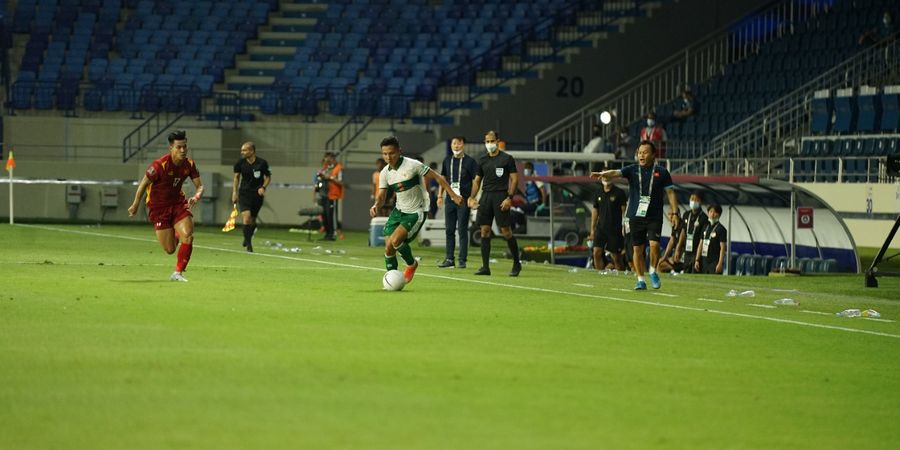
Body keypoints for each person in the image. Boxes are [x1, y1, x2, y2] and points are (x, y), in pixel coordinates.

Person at [370, 136, 463, 283]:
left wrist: (453, 196)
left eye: (392, 153)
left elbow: (439, 178)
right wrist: (376, 205)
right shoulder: (385, 173)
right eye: (385, 154)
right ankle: (393, 280)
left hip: (416, 211)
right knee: (388, 248)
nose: (388, 157)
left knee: (395, 241)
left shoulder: (413, 165)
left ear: (399, 151)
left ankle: (412, 265)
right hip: (399, 210)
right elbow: (381, 195)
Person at [592, 141, 678, 290]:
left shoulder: (662, 172)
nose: (641, 155)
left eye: (645, 152)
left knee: (654, 245)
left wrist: (675, 212)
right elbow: (616, 172)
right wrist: (603, 174)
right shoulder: (632, 170)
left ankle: (652, 270)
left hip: (654, 216)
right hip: (635, 216)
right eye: (639, 152)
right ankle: (640, 279)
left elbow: (670, 193)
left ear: (653, 155)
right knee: (637, 249)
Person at [127, 130, 204, 282]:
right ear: (171, 148)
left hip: (178, 204)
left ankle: (178, 273)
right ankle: (176, 233)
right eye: (178, 147)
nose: (182, 150)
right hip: (159, 208)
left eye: (184, 147)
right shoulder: (159, 165)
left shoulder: (189, 164)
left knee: (188, 236)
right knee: (170, 249)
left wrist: (196, 196)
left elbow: (200, 186)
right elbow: (143, 184)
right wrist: (135, 204)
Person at [468, 130, 522, 277]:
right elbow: (477, 181)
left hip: (501, 196)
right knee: (484, 231)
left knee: (506, 231)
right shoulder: (482, 159)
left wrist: (509, 198)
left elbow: (515, 179)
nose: (489, 144)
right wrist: (472, 197)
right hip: (486, 197)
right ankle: (485, 267)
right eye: (487, 141)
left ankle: (517, 263)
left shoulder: (507, 158)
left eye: (492, 141)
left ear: (498, 141)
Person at [437, 136, 478, 269]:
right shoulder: (447, 160)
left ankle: (462, 260)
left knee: (462, 230)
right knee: (449, 230)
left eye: (459, 143)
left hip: (463, 201)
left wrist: (472, 197)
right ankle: (449, 258)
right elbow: (442, 179)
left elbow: (476, 181)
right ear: (451, 146)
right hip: (450, 200)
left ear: (463, 145)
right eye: (454, 143)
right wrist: (439, 195)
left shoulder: (470, 162)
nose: (456, 146)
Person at [231, 141, 271, 253]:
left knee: (252, 220)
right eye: (242, 150)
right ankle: (249, 245)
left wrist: (263, 187)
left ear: (252, 151)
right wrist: (234, 192)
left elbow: (268, 177)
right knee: (246, 217)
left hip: (257, 195)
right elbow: (236, 178)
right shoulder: (240, 163)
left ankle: (246, 237)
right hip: (244, 193)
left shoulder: (262, 163)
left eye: (244, 150)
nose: (242, 152)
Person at [589, 177, 627, 271]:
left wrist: (624, 226)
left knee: (616, 257)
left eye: (608, 176)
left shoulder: (619, 192)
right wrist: (592, 230)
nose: (606, 178)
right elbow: (595, 211)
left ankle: (621, 277)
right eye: (604, 176)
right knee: (596, 253)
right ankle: (600, 276)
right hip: (601, 229)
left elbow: (624, 211)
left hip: (615, 229)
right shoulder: (598, 192)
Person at [678, 191, 708, 273]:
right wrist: (678, 247)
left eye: (696, 199)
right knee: (685, 271)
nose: (693, 201)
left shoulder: (704, 218)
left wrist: (698, 256)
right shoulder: (686, 214)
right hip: (687, 250)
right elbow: (683, 232)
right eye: (692, 199)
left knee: (695, 272)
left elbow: (703, 238)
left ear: (700, 201)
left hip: (697, 251)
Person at [316, 151, 343, 241]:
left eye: (329, 159)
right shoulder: (327, 168)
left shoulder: (339, 168)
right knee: (325, 215)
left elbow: (341, 182)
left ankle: (333, 234)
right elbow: (320, 177)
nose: (327, 161)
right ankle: (327, 234)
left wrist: (330, 178)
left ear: (333, 158)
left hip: (333, 195)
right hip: (325, 195)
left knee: (332, 216)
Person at [694, 204, 727, 274]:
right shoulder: (705, 227)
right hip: (704, 260)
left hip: (714, 261)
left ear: (719, 214)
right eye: (711, 211)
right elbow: (700, 244)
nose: (712, 214)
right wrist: (697, 260)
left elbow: (723, 248)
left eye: (715, 212)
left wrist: (720, 263)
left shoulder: (721, 229)